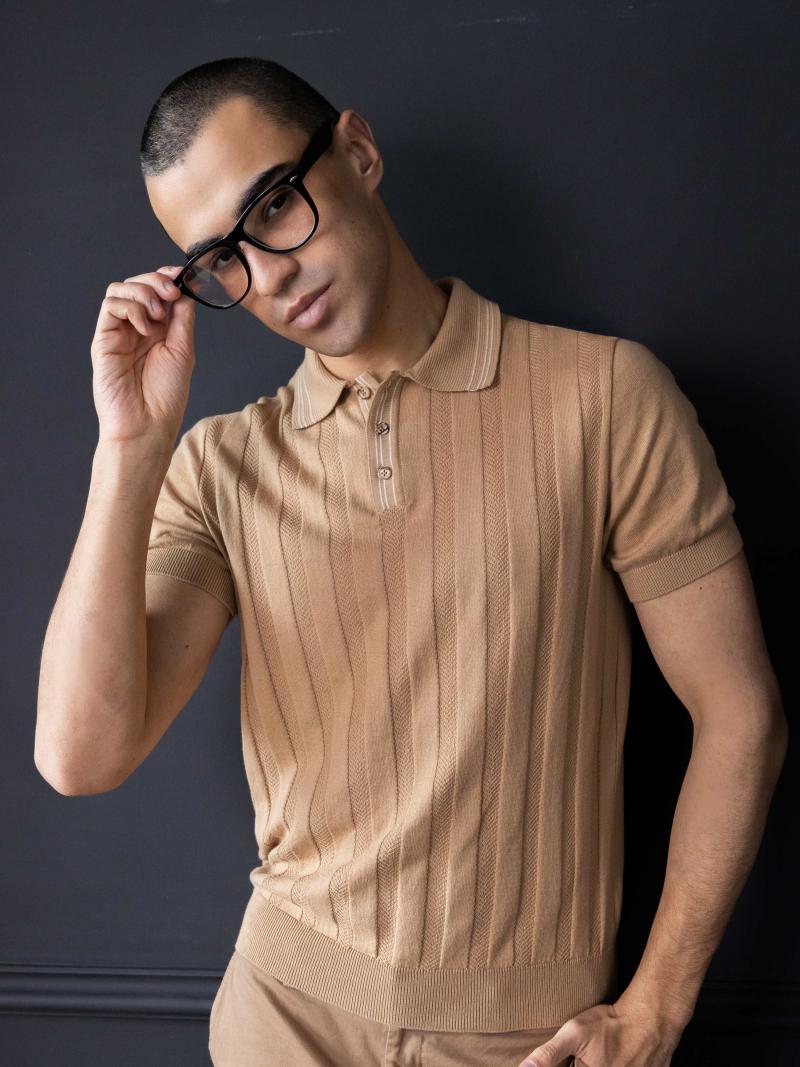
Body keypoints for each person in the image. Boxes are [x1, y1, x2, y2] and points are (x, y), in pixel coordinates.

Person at [34, 56, 787, 1067]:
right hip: (280, 1018)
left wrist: (654, 1007)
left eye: (274, 204)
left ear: (356, 151)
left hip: (530, 1037)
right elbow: (81, 756)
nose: (268, 273)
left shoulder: (606, 398)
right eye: (221, 258)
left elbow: (740, 714)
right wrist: (129, 449)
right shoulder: (219, 465)